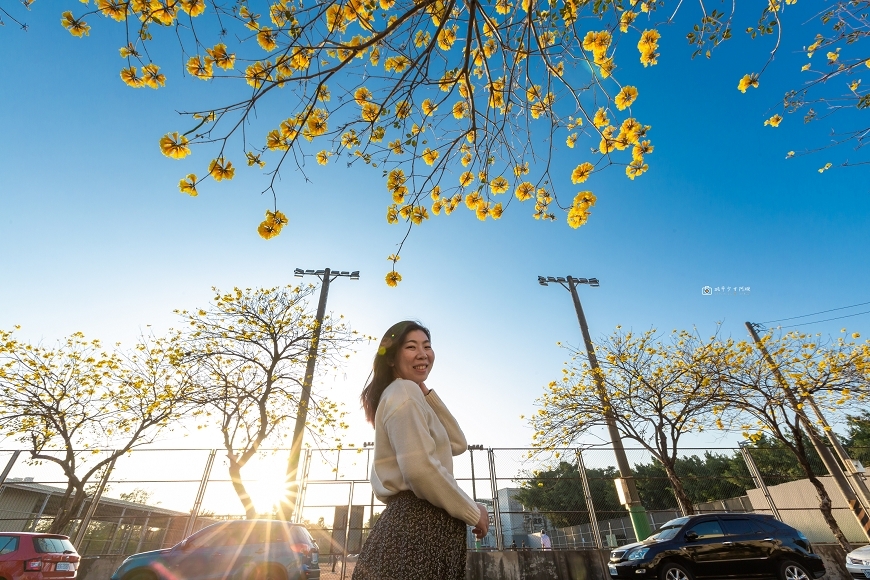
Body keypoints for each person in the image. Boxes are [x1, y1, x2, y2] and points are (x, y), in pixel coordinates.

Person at [352, 321, 489, 580]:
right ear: (391, 358)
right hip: (418, 528)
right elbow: (420, 470)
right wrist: (472, 512)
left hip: (415, 527)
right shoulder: (403, 391)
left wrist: (427, 394)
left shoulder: (408, 392)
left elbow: (457, 443)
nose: (423, 354)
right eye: (411, 346)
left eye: (427, 346)